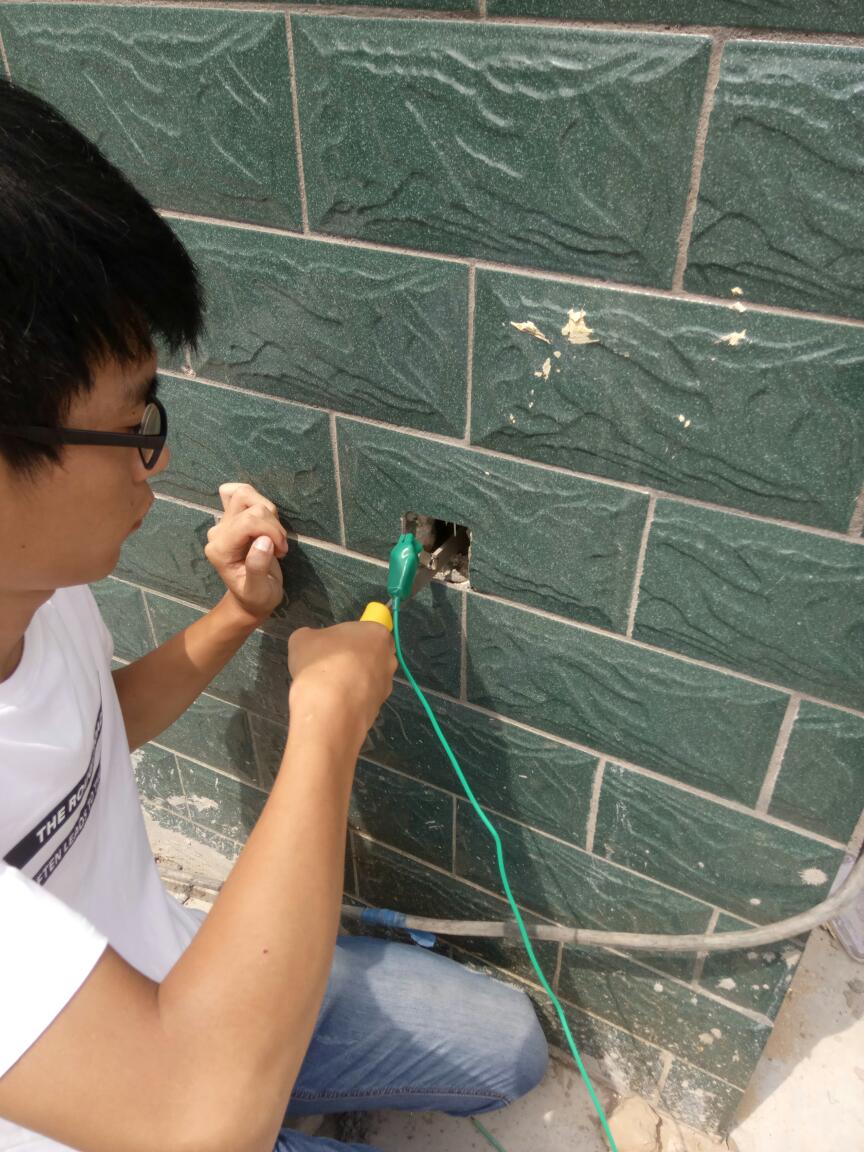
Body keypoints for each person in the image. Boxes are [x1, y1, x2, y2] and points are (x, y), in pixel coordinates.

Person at [0, 78, 548, 1152]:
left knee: (507, 1046)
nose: (156, 463)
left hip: (180, 984)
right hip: (141, 1109)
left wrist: (238, 616)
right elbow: (197, 1124)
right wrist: (327, 723)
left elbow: (84, 731)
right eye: (134, 424)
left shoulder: (37, 590)